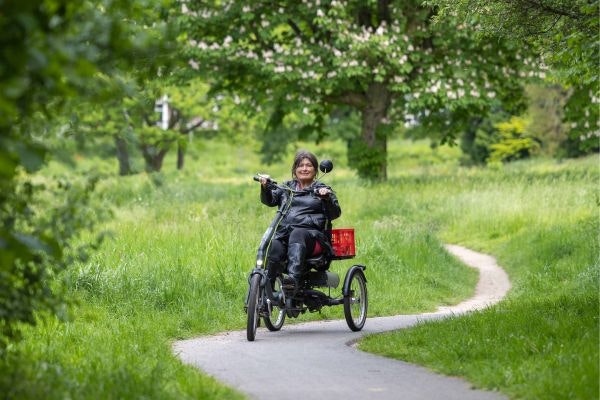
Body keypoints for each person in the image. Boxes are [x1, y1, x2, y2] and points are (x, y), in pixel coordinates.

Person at [259, 150, 341, 295]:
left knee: (297, 233)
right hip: (286, 235)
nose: (304, 169)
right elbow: (270, 200)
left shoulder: (322, 189)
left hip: (314, 240)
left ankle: (293, 282)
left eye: (308, 165)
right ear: (295, 170)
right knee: (275, 244)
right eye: (300, 165)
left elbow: (335, 213)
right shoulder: (286, 188)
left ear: (315, 170)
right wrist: (265, 186)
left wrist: (326, 198)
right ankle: (268, 293)